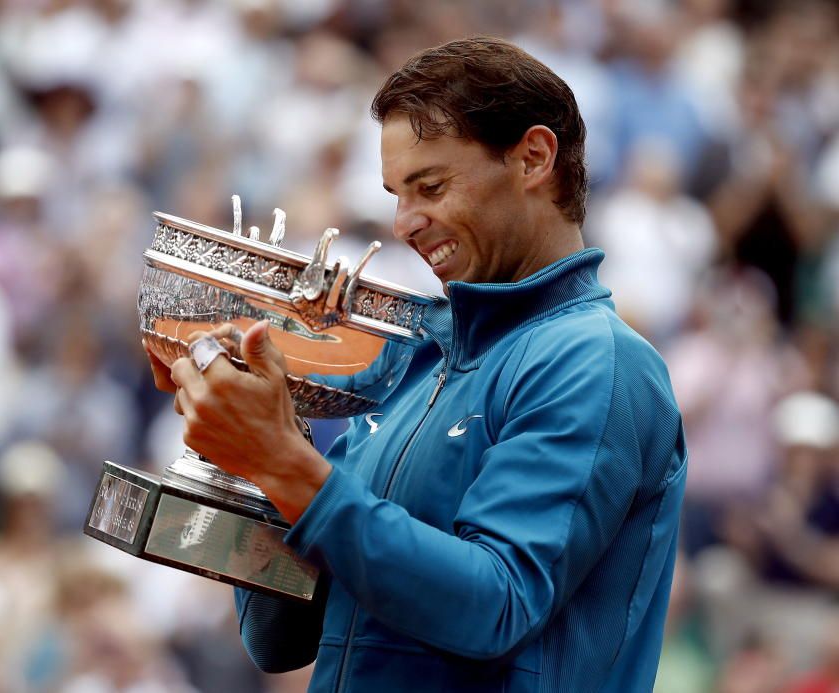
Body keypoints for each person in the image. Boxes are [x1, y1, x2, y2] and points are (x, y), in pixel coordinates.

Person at [146, 37, 687, 692]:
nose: (404, 222)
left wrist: (286, 463)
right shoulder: (413, 368)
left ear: (534, 158)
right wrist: (250, 461)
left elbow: (497, 603)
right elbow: (276, 637)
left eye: (429, 186)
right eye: (396, 193)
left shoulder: (596, 362)